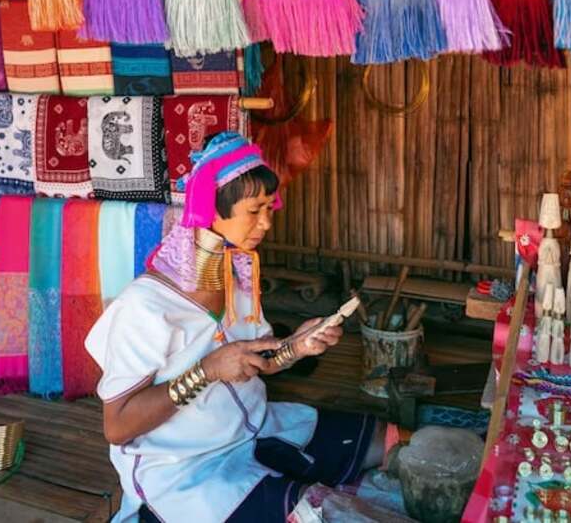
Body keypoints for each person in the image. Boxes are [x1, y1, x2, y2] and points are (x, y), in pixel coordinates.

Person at [85, 132, 385, 522]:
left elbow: (255, 359)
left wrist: (296, 345)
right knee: (314, 514)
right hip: (188, 468)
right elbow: (118, 426)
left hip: (255, 427)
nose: (266, 223)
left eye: (269, 209)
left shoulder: (237, 276)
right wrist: (207, 370)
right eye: (254, 210)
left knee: (390, 442)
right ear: (210, 209)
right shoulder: (145, 306)